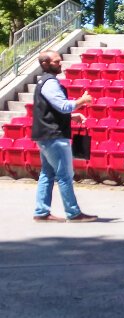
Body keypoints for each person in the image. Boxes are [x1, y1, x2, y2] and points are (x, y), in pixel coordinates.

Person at [31, 50, 97, 222]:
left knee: (47, 173)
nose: (60, 63)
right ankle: (73, 213)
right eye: (56, 61)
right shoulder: (51, 83)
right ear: (45, 64)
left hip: (45, 135)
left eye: (60, 61)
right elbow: (62, 106)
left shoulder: (42, 82)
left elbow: (51, 110)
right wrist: (82, 101)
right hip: (54, 136)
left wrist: (72, 116)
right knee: (65, 175)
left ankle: (41, 212)